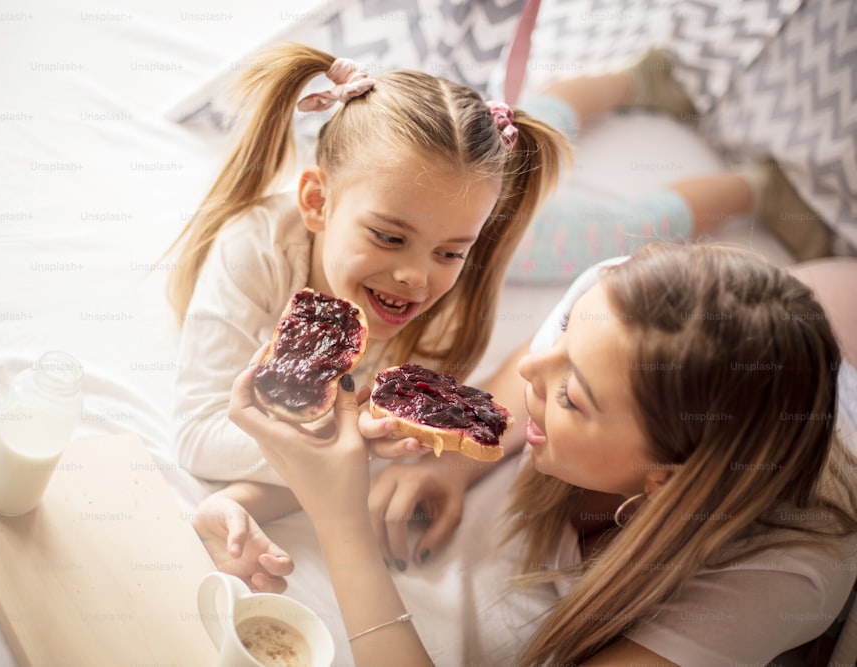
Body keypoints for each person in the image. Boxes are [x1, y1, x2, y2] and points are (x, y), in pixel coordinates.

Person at [211, 242, 857, 665]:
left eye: (572, 396)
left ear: (666, 477)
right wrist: (451, 462)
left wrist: (341, 525)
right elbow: (533, 363)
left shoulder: (783, 573)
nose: (532, 370)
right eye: (570, 326)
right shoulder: (617, 299)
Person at [165, 41, 569, 579]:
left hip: (552, 236)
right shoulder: (254, 251)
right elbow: (197, 436)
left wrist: (265, 488)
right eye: (388, 236)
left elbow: (322, 464)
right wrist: (351, 445)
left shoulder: (442, 303)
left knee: (631, 215)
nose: (416, 278)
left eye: (450, 253)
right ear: (316, 202)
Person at [503, 49, 851, 284]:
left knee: (637, 227)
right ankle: (637, 82)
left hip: (495, 215)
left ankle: (762, 189)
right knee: (536, 123)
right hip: (473, 160)